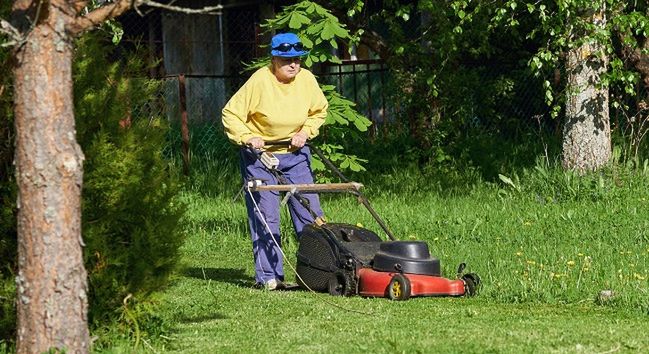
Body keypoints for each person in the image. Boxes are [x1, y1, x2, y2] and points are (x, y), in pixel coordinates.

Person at [222, 32, 328, 290]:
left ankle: (316, 274)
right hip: (261, 157)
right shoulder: (260, 80)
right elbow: (230, 114)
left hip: (296, 155)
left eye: (297, 60)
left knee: (310, 214)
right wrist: (248, 137)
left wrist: (305, 132)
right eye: (286, 60)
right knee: (266, 217)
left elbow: (319, 111)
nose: (293, 65)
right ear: (274, 60)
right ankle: (270, 278)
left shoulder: (307, 80)